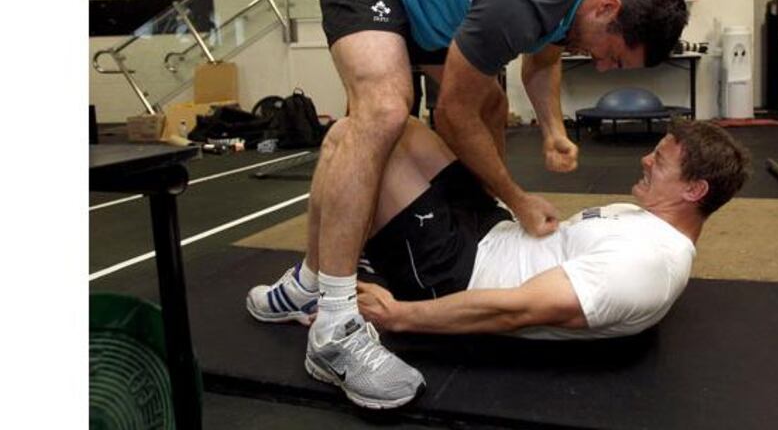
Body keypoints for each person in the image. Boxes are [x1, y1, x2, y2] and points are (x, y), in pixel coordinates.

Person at [295, 0, 688, 409]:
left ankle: (312, 278)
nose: (602, 68)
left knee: (493, 108)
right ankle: (334, 323)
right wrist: (518, 197)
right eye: (612, 55)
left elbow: (541, 61)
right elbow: (451, 116)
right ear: (608, 8)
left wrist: (553, 130)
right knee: (385, 111)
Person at [247, 116, 750, 408]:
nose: (645, 160)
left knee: (352, 140)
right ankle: (313, 277)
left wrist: (399, 315)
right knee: (396, 122)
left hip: (455, 272)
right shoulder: (642, 219)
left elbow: (514, 310)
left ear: (694, 189)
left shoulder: (647, 264)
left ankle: (312, 283)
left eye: (659, 161)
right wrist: (522, 208)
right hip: (492, 228)